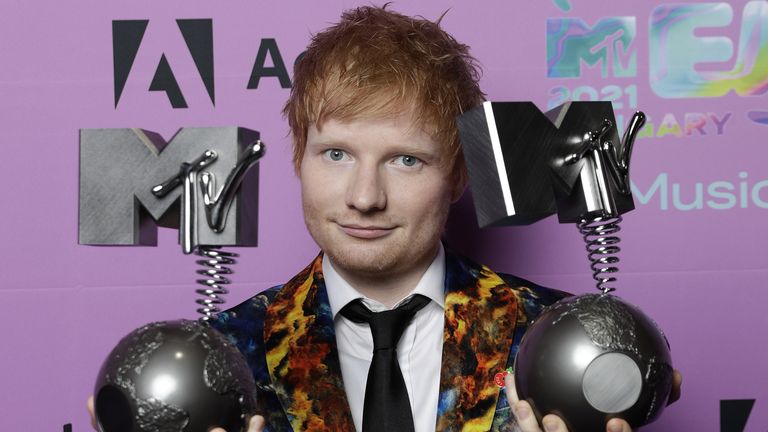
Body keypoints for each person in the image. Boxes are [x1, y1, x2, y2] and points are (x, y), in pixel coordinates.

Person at [88, 5, 680, 432]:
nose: (364, 196)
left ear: (457, 175)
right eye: (337, 154)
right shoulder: (220, 361)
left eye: (405, 159)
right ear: (299, 159)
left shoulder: (558, 346)